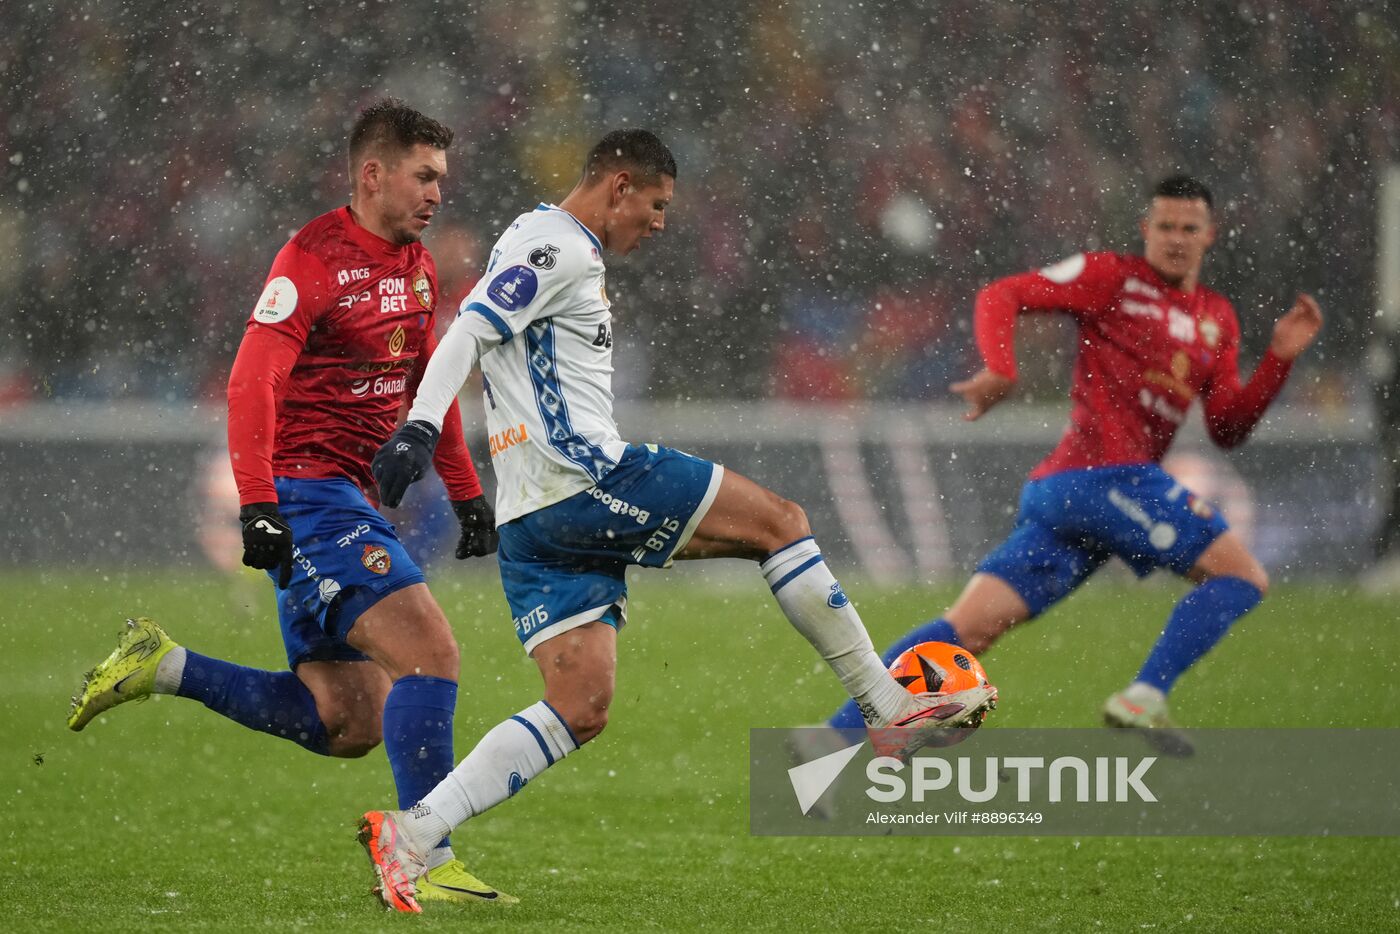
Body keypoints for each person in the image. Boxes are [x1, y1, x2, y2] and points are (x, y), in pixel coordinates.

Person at [356, 128, 997, 913]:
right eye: (656, 205)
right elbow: (467, 328)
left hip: (533, 521)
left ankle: (415, 834)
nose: (659, 223)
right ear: (619, 186)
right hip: (589, 479)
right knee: (782, 523)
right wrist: (420, 430)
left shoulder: (528, 235)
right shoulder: (564, 248)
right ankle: (884, 703)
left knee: (580, 706)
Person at [66, 99, 511, 905]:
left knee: (349, 722)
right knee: (432, 655)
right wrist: (258, 503)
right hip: (311, 497)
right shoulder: (310, 257)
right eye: (423, 175)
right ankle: (423, 854)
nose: (437, 192)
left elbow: (428, 388)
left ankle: (164, 666)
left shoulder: (414, 266)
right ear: (372, 174)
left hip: (349, 499)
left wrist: (468, 490)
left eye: (442, 177)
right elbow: (252, 380)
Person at [825, 175, 1323, 751]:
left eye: (1189, 228)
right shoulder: (1112, 277)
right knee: (1242, 576)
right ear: (1145, 230)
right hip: (1101, 477)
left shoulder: (1217, 318)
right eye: (1165, 226)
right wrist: (1001, 369)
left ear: (1210, 235)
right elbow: (1001, 294)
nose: (1176, 239)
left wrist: (1279, 359)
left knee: (969, 629)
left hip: (1078, 498)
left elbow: (1227, 428)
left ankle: (827, 742)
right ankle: (1146, 696)